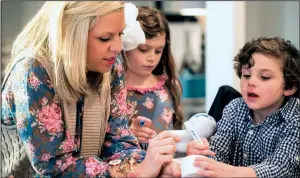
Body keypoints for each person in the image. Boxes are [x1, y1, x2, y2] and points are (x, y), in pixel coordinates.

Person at [1, 2, 181, 177]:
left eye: (121, 33)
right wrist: (132, 171)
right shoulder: (33, 69)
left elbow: (118, 141)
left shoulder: (112, 65)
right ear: (70, 33)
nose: (118, 47)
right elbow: (52, 165)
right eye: (105, 38)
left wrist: (154, 166)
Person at [192, 37, 300, 177]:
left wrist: (226, 171)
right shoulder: (235, 108)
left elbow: (279, 167)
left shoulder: (295, 119)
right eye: (246, 75)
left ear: (290, 86)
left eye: (265, 77)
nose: (251, 82)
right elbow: (218, 151)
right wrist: (203, 155)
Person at [122, 6, 215, 157]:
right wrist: (127, 134)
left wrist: (189, 148)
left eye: (158, 51)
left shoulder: (169, 87)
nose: (151, 58)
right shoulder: (112, 90)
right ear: (125, 45)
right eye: (143, 49)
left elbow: (178, 137)